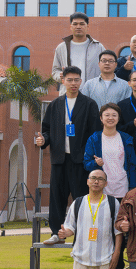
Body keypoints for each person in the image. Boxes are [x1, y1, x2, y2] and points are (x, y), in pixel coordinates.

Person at [37, 67, 101, 245]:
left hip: (80, 160)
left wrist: (91, 156)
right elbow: (46, 129)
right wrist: (44, 140)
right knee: (57, 197)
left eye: (76, 80)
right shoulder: (55, 105)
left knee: (81, 197)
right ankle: (57, 233)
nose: (73, 83)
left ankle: (81, 234)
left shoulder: (89, 104)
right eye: (70, 80)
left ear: (81, 81)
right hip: (59, 159)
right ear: (63, 81)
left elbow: (95, 133)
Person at [51, 11, 104, 82]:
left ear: (88, 27)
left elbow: (106, 69)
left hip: (92, 88)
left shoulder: (98, 47)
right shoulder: (61, 48)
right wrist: (60, 76)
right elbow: (55, 71)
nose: (78, 27)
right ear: (71, 27)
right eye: (75, 24)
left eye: (82, 24)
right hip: (68, 88)